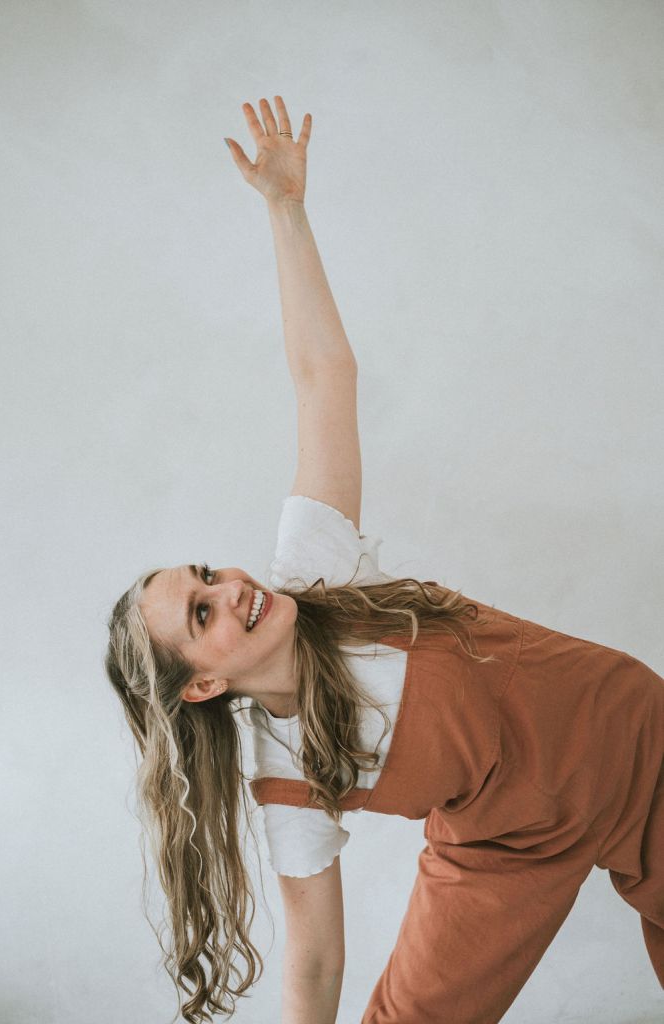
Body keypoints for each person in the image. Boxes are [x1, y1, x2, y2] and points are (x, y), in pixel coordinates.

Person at [105, 96, 664, 1024]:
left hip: (639, 745)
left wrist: (285, 209)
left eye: (206, 575)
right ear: (201, 686)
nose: (230, 588)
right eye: (200, 614)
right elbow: (315, 958)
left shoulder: (318, 573)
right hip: (506, 853)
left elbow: (323, 377)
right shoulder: (286, 779)